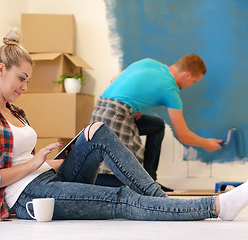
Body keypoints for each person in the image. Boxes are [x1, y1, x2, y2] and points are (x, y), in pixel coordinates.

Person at [0, 28, 248, 222]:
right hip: (27, 196)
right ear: (0, 70)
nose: (25, 87)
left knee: (98, 132)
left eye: (27, 80)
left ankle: (164, 205)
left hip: (45, 178)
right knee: (121, 197)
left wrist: (49, 162)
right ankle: (217, 207)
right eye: (22, 79)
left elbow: (25, 158)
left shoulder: (15, 111)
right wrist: (33, 165)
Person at [91, 55, 223, 189]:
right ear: (187, 75)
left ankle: (150, 181)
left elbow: (113, 79)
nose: (191, 85)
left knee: (157, 126)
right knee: (127, 178)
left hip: (100, 110)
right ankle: (100, 183)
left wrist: (133, 106)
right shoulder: (170, 90)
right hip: (116, 115)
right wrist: (206, 143)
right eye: (194, 81)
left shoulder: (149, 63)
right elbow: (183, 135)